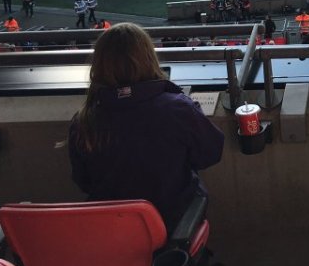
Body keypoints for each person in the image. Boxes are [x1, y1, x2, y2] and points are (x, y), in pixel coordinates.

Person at [68, 23, 224, 230]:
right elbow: (210, 153)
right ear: (148, 58)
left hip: (111, 234)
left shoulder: (83, 121)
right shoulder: (177, 109)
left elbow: (84, 181)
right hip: (172, 229)